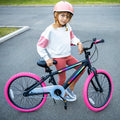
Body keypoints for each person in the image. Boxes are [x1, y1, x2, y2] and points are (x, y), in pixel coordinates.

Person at [37, 1, 85, 101]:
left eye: (68, 17)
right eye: (62, 15)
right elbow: (40, 46)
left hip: (68, 56)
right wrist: (47, 58)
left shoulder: (67, 27)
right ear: (56, 15)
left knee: (81, 68)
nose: (65, 19)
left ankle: (70, 86)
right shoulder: (50, 30)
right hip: (58, 58)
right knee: (62, 79)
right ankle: (60, 94)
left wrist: (78, 43)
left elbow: (72, 38)